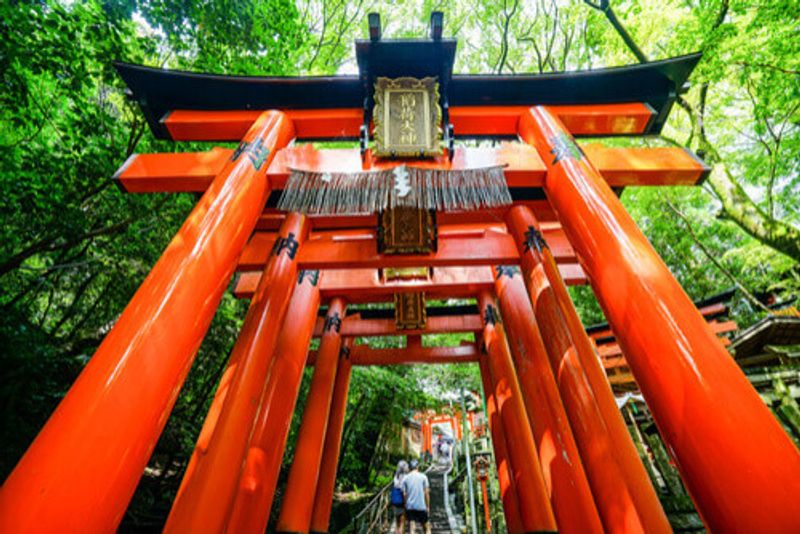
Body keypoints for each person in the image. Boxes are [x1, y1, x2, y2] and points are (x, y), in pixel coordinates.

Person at [402, 459, 431, 534]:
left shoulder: (405, 478)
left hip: (410, 506)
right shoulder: (423, 477)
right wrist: (427, 506)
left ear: (410, 467)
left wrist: (405, 506)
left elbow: (404, 494)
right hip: (421, 505)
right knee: (427, 527)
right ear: (417, 467)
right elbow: (426, 493)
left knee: (412, 527)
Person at [390, 460, 409, 534]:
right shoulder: (405, 477)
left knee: (397, 521)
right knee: (402, 522)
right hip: (401, 500)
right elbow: (404, 491)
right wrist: (406, 503)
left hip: (395, 500)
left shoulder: (396, 476)